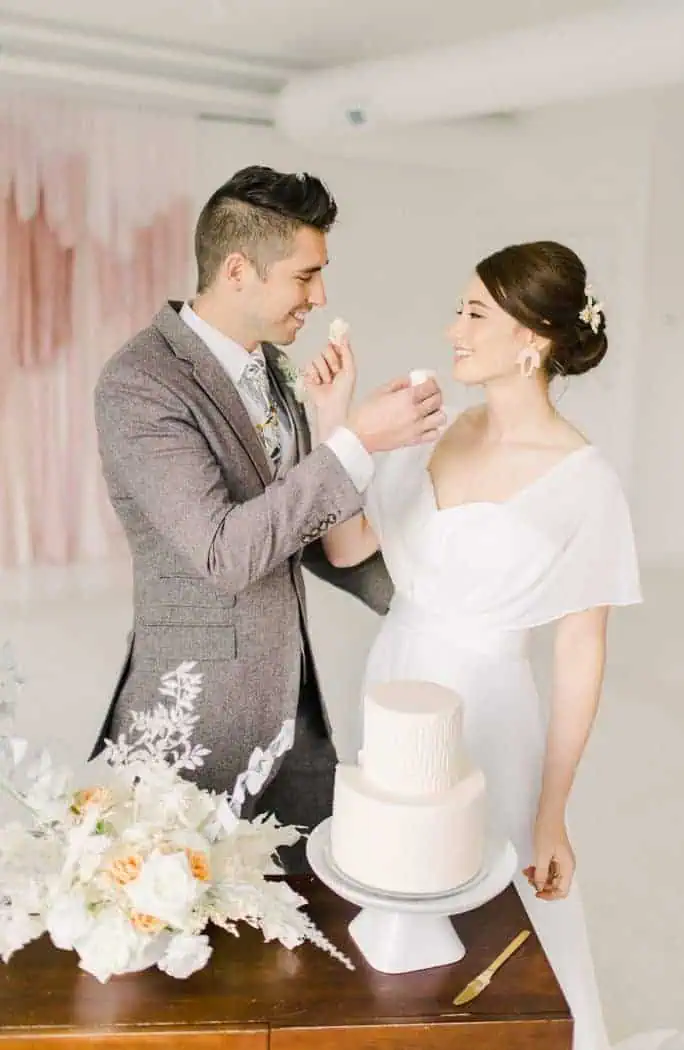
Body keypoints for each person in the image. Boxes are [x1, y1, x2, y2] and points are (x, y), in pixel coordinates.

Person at [307, 240, 641, 1050]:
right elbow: (351, 551)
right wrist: (335, 423)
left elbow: (578, 654)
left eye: (474, 313)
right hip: (394, 684)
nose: (452, 328)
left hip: (491, 704)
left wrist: (554, 813)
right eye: (458, 309)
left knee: (495, 910)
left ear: (533, 338)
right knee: (398, 886)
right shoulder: (437, 427)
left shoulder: (583, 480)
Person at [89, 165, 444, 872]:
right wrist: (356, 443)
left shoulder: (278, 371)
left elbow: (292, 530)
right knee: (186, 928)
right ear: (238, 269)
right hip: (196, 715)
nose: (320, 296)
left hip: (295, 705)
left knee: (311, 909)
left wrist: (426, 603)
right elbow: (225, 550)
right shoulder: (139, 384)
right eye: (305, 277)